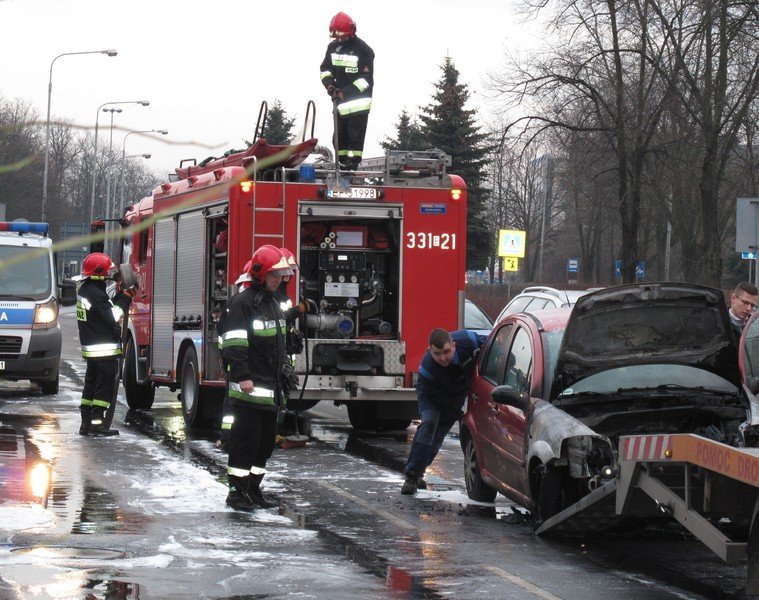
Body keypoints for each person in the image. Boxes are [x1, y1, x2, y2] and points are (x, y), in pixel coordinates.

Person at [220, 245, 293, 511]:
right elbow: (234, 343)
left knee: (264, 446)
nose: (279, 279)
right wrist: (243, 376)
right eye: (275, 275)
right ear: (261, 273)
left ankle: (253, 488)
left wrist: (285, 369)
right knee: (245, 443)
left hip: (270, 389)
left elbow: (278, 344)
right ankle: (237, 492)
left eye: (281, 275)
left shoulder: (271, 303)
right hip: (249, 390)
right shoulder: (243, 303)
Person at [401, 328, 487, 495]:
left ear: (454, 345)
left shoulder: (469, 340)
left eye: (446, 352)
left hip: (457, 391)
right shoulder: (428, 368)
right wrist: (456, 413)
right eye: (437, 353)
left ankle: (420, 472)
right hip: (431, 394)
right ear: (429, 351)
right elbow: (440, 401)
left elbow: (495, 343)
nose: (442, 358)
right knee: (430, 424)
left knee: (439, 434)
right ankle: (411, 476)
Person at [76, 252, 136, 437]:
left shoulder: (87, 290)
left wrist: (120, 294)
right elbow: (114, 316)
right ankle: (97, 424)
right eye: (106, 272)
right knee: (104, 387)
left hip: (94, 349)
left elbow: (105, 310)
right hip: (104, 350)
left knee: (91, 386)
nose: (108, 275)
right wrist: (125, 297)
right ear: (98, 272)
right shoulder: (96, 293)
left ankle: (86, 423)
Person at [320, 11, 375, 171]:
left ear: (351, 31)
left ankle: (352, 164)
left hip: (358, 104)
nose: (339, 38)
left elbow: (366, 80)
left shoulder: (364, 50)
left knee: (354, 139)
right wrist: (329, 84)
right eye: (336, 36)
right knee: (338, 138)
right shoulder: (333, 47)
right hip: (339, 103)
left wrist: (345, 93)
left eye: (342, 35)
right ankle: (341, 163)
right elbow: (325, 69)